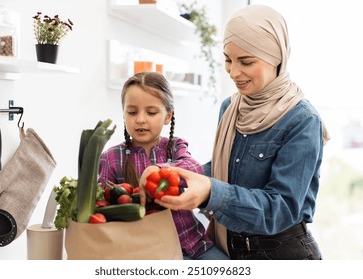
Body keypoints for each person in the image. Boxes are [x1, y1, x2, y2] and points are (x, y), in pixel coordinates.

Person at [140, 5, 330, 260]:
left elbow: (282, 209)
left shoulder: (303, 120)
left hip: (282, 255)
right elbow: (225, 170)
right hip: (229, 247)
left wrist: (211, 193)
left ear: (277, 58)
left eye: (246, 61)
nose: (233, 71)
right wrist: (172, 173)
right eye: (228, 59)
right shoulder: (230, 108)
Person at [98, 71, 229, 260]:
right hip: (149, 253)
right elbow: (101, 208)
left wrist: (159, 169)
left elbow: (193, 167)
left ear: (168, 116)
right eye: (132, 112)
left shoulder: (176, 146)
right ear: (124, 114)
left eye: (151, 112)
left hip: (195, 245)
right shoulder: (111, 157)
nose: (141, 119)